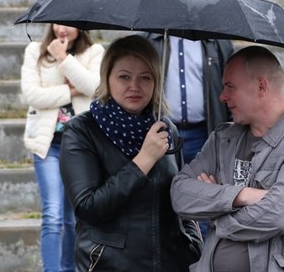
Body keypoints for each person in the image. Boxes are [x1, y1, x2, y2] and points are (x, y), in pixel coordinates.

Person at [170, 46, 284, 271]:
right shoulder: (222, 139)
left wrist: (216, 214)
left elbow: (283, 215)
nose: (222, 96)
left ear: (261, 86)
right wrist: (240, 196)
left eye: (230, 86)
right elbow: (180, 194)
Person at [59, 35, 202, 271]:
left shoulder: (166, 130)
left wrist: (191, 242)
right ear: (107, 78)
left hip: (169, 262)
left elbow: (179, 196)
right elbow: (88, 207)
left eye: (145, 78)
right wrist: (144, 160)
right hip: (111, 263)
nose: (134, 86)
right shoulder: (82, 130)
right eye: (124, 77)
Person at [20, 23, 104, 272]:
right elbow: (32, 95)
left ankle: (70, 268)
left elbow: (95, 89)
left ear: (80, 27)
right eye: (57, 23)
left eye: (68, 23)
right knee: (53, 214)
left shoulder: (93, 53)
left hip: (80, 148)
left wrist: (63, 58)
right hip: (49, 147)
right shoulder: (35, 51)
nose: (62, 29)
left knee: (74, 217)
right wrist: (71, 90)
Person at [142, 33, 234, 163]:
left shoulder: (216, 41)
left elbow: (233, 86)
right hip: (162, 133)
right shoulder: (150, 39)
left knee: (203, 181)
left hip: (204, 134)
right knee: (164, 182)